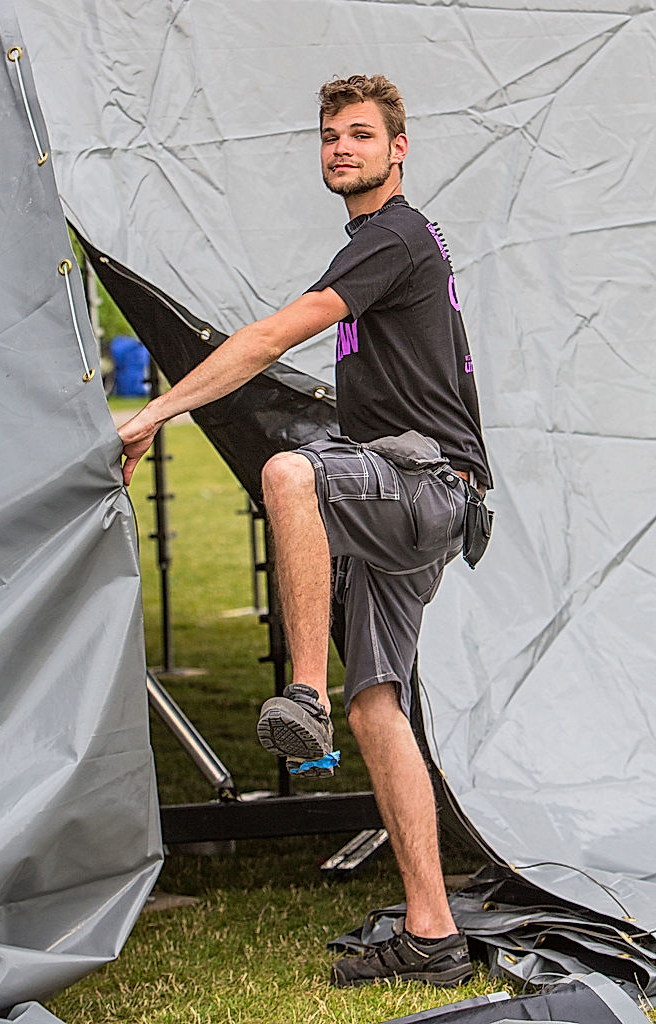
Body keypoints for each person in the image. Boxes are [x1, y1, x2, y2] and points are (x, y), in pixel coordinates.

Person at [119, 74, 493, 989]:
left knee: (291, 471)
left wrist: (152, 413)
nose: (341, 148)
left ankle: (304, 695)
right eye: (330, 135)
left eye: (361, 135)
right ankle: (433, 934)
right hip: (419, 492)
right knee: (383, 707)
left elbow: (270, 336)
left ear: (398, 150)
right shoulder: (382, 241)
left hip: (426, 486)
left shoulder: (394, 235)